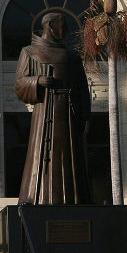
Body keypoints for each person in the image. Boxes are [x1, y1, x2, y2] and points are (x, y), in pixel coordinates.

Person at [15, 11, 93, 204]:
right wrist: (38, 81)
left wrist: (85, 118)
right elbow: (19, 83)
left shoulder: (72, 56)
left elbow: (83, 90)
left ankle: (75, 199)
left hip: (69, 114)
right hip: (44, 115)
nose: (66, 29)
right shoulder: (30, 52)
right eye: (63, 24)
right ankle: (37, 198)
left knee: (72, 160)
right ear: (50, 26)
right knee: (41, 155)